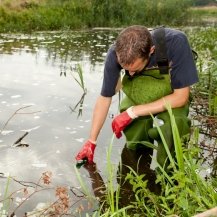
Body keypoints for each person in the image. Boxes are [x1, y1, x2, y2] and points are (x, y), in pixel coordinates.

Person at [75, 25, 198, 168]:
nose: (131, 74)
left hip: (173, 94)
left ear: (151, 51)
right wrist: (92, 141)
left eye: (135, 69)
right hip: (139, 92)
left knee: (175, 126)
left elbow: (180, 97)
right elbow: (105, 97)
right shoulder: (114, 53)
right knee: (135, 135)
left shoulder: (176, 42)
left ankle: (170, 173)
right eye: (127, 71)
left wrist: (132, 112)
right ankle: (137, 167)